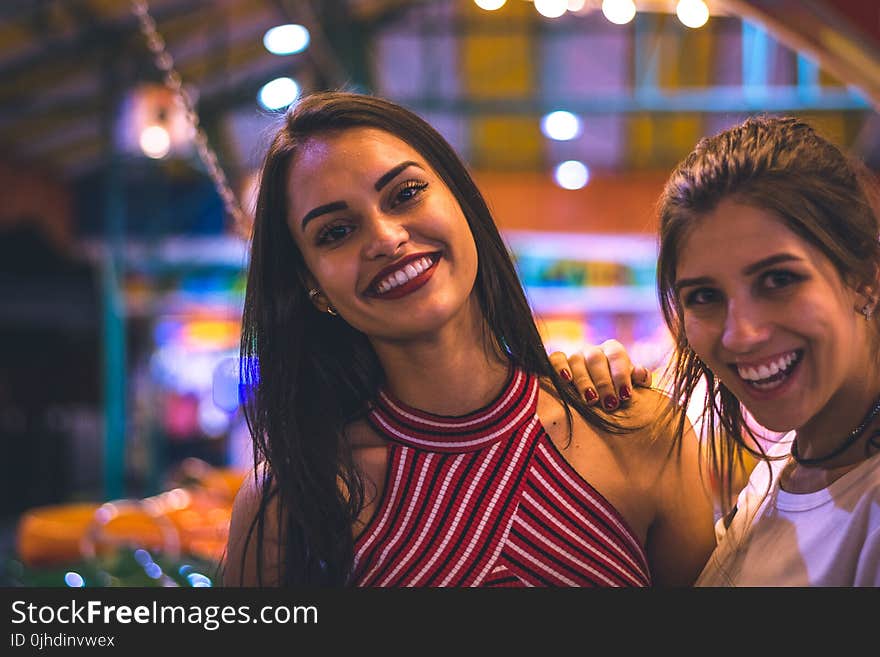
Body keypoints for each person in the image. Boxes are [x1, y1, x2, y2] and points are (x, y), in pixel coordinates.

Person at [222, 91, 715, 587]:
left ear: (460, 199)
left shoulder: (638, 428)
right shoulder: (287, 507)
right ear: (313, 286)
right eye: (335, 232)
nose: (386, 238)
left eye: (405, 193)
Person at [557, 115, 880, 586]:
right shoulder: (796, 458)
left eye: (779, 280)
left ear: (865, 278)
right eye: (704, 296)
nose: (740, 335)